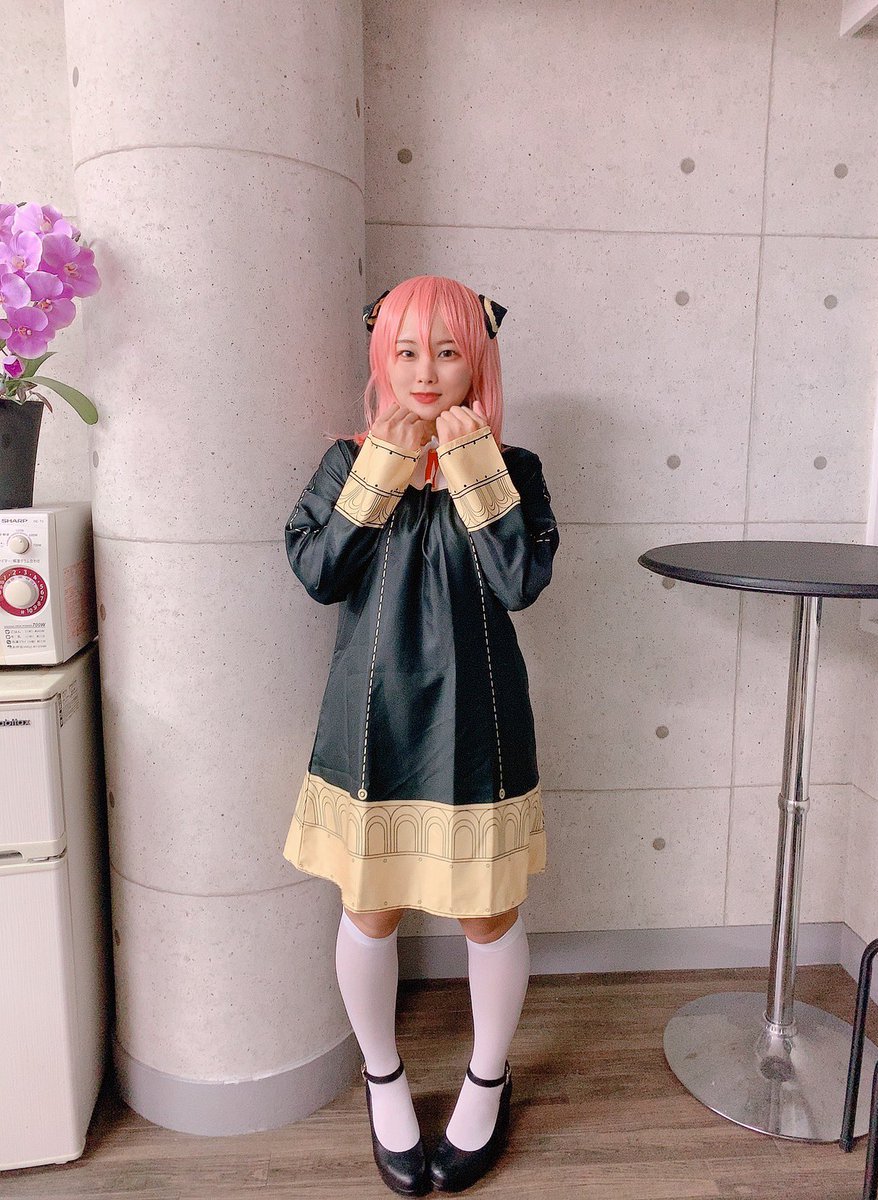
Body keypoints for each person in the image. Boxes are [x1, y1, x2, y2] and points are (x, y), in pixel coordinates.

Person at [282, 275, 560, 1195]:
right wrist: (380, 470)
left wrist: (472, 464)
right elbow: (319, 572)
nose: (426, 372)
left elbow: (519, 582)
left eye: (447, 351)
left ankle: (487, 1078)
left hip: (480, 725)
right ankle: (384, 1079)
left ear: (477, 362)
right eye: (406, 352)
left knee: (489, 913)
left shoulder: (515, 467)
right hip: (371, 725)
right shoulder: (344, 461)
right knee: (370, 912)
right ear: (382, 358)